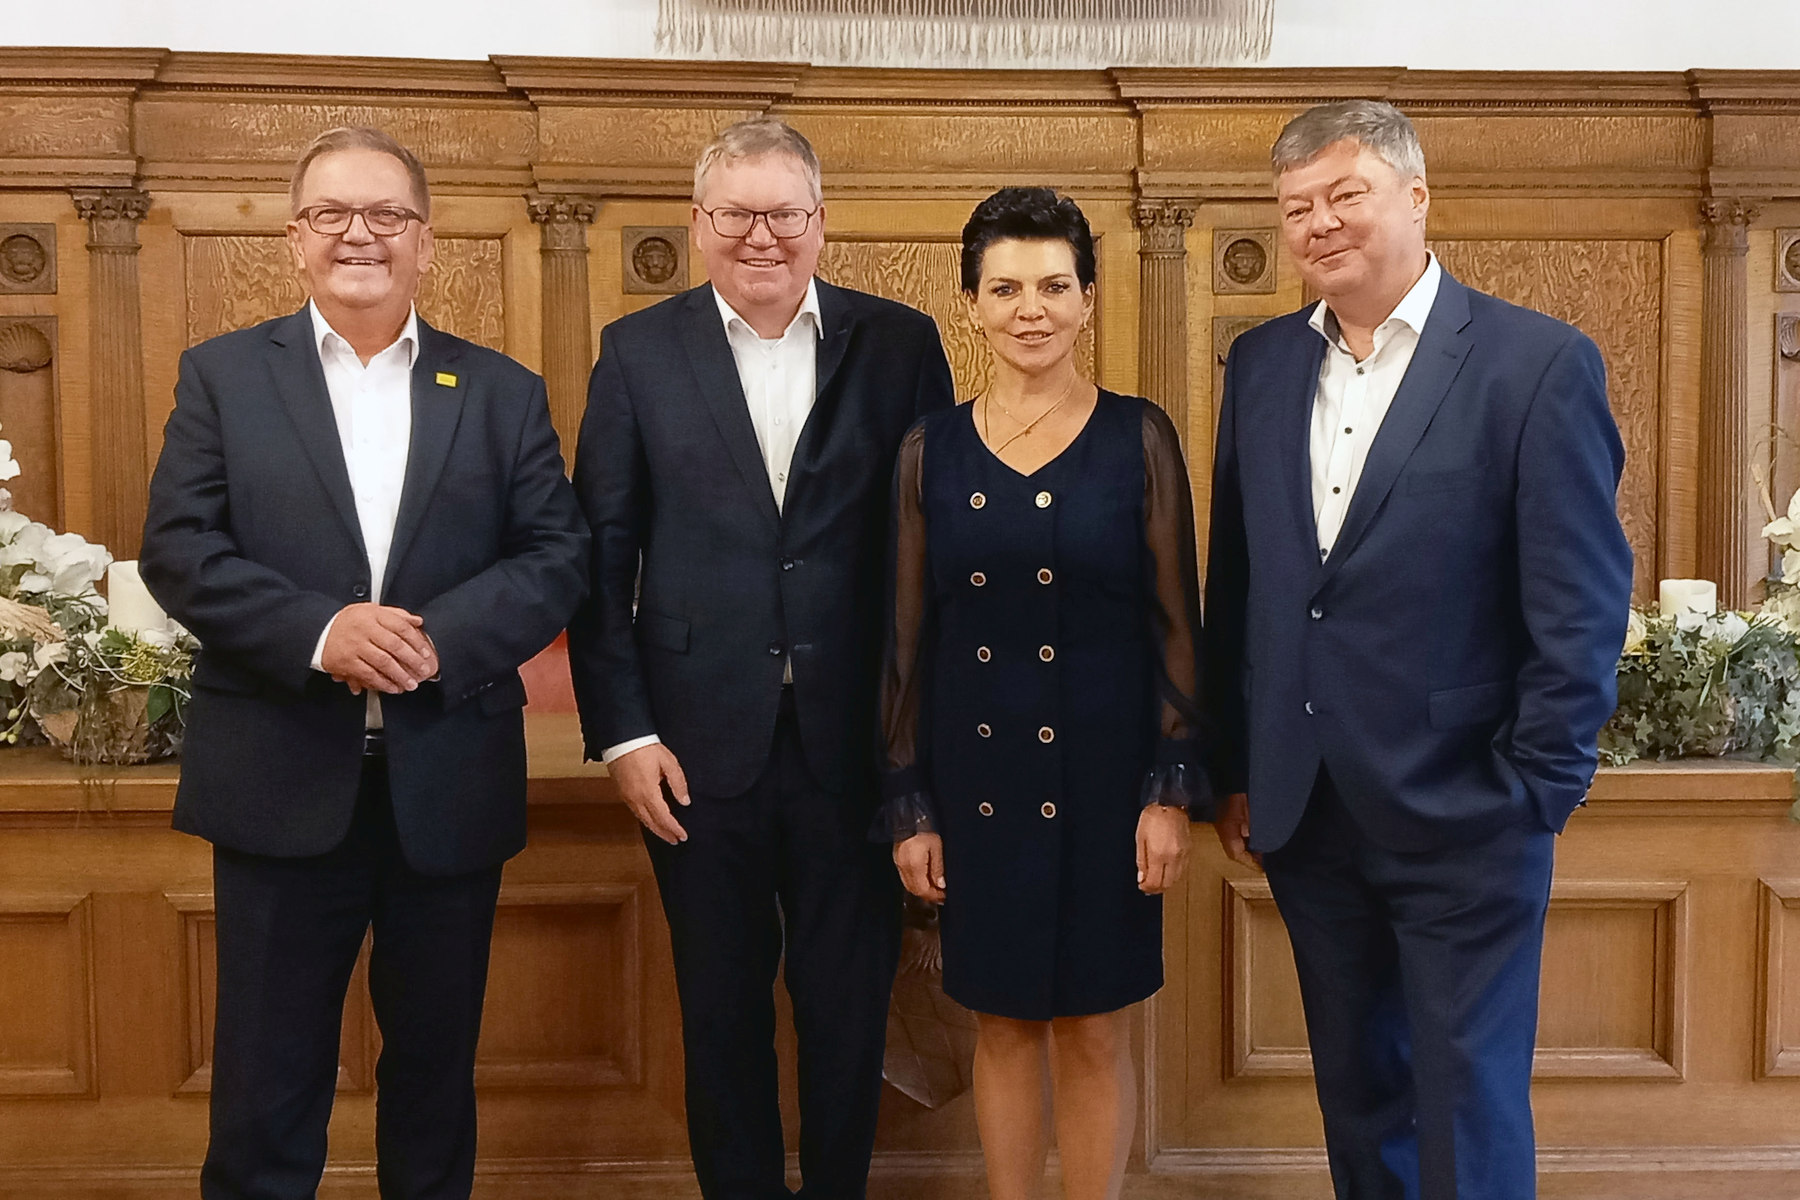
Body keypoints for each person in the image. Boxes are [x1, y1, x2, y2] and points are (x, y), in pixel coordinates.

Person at [139, 126, 588, 1200]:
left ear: (426, 243)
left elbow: (557, 554)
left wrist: (435, 643)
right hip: (281, 782)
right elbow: (180, 548)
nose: (360, 235)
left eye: (387, 214)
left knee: (433, 1081)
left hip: (447, 785)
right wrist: (321, 630)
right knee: (266, 1085)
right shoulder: (224, 378)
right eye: (333, 213)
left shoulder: (500, 391)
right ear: (295, 239)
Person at [1204, 100, 1633, 1200]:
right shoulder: (1256, 367)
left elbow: (1580, 602)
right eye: (1297, 207)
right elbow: (1245, 586)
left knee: (1467, 1102)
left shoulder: (1535, 365)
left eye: (1345, 195)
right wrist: (1235, 768)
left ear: (1417, 196)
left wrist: (1537, 784)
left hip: (1470, 810)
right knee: (1358, 1096)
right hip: (1307, 812)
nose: (1319, 224)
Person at [567, 117, 955, 1200]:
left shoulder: (900, 344)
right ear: (698, 227)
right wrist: (625, 732)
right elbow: (600, 556)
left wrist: (920, 748)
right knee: (720, 1013)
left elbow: (935, 552)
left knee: (847, 1012)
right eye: (736, 213)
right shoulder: (638, 353)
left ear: (821, 223)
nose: (761, 235)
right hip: (692, 748)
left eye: (784, 212)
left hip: (857, 747)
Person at [882, 187, 1208, 1200]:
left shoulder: (1138, 437)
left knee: (1095, 1027)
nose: (1032, 308)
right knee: (1004, 1024)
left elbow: (1176, 631)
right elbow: (905, 646)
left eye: (1054, 286)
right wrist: (909, 806)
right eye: (1006, 287)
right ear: (971, 303)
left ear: (1089, 298)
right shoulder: (929, 450)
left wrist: (1171, 789)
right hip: (976, 782)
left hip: (1111, 781)